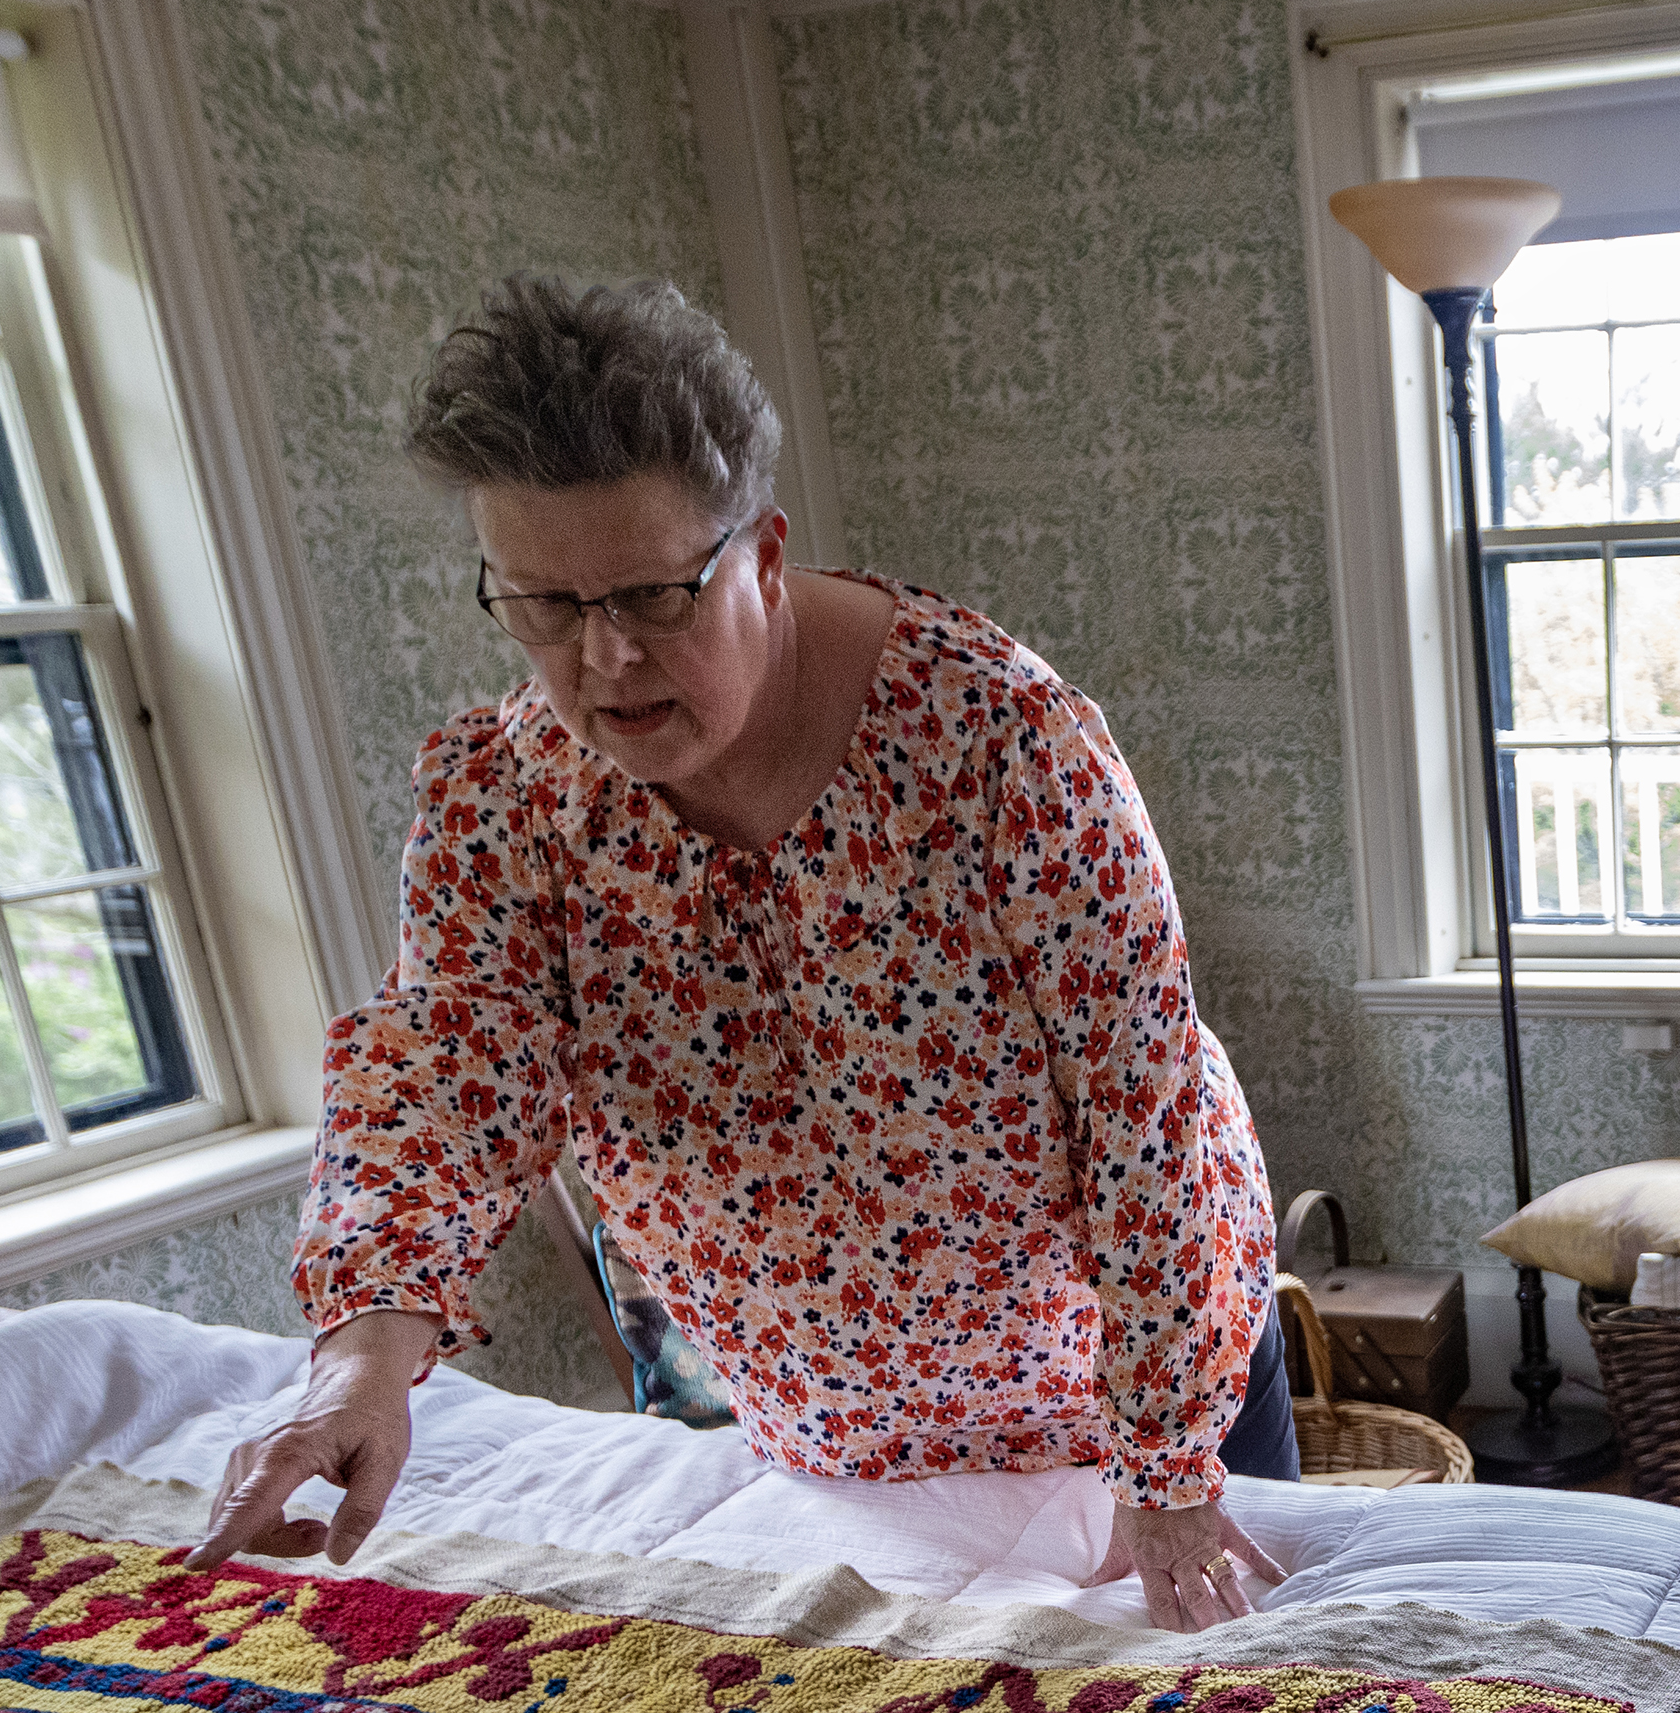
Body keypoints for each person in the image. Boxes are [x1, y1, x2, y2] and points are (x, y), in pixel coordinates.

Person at [187, 279, 1288, 1624]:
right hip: (800, 1430)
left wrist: (1167, 1468)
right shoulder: (510, 799)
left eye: (655, 597)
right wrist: (357, 1368)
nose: (605, 658)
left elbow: (1146, 1114)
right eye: (542, 605)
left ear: (763, 556)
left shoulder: (1005, 746)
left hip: (1119, 1398)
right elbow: (441, 1087)